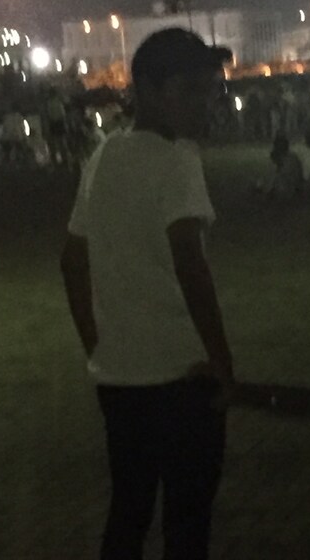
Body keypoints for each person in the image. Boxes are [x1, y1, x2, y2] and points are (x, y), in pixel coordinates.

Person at [61, 28, 234, 560]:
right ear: (154, 91)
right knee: (187, 520)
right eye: (195, 90)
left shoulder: (104, 155)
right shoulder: (177, 159)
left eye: (210, 89)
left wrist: (96, 342)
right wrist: (221, 358)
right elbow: (190, 263)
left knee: (129, 510)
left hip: (119, 377)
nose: (207, 103)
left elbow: (72, 260)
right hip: (182, 373)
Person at [45, 87, 70, 168]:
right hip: (57, 122)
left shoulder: (51, 102)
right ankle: (63, 158)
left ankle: (62, 159)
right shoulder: (56, 101)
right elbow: (62, 113)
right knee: (60, 141)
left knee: (59, 142)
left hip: (56, 122)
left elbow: (51, 114)